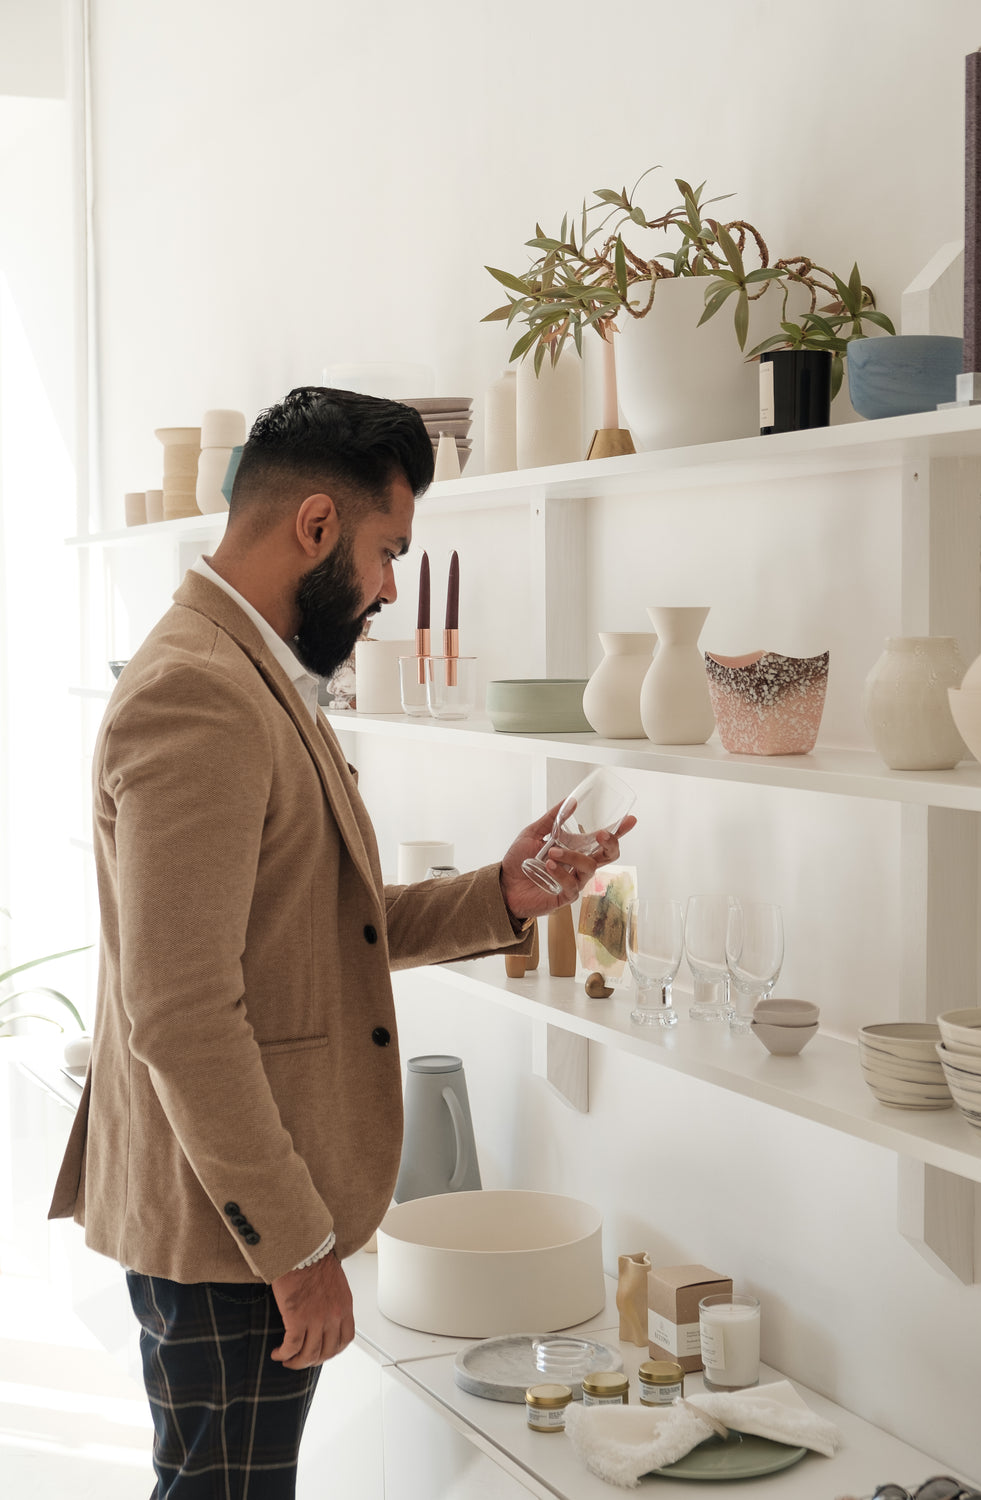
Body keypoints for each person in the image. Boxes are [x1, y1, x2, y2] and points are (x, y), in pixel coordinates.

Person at [49, 386, 635, 1497]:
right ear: (315, 526)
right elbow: (178, 1015)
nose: (387, 588)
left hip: (236, 1224)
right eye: (385, 550)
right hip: (230, 1239)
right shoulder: (200, 696)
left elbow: (316, 930)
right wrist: (298, 1253)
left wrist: (500, 896)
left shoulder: (249, 670)